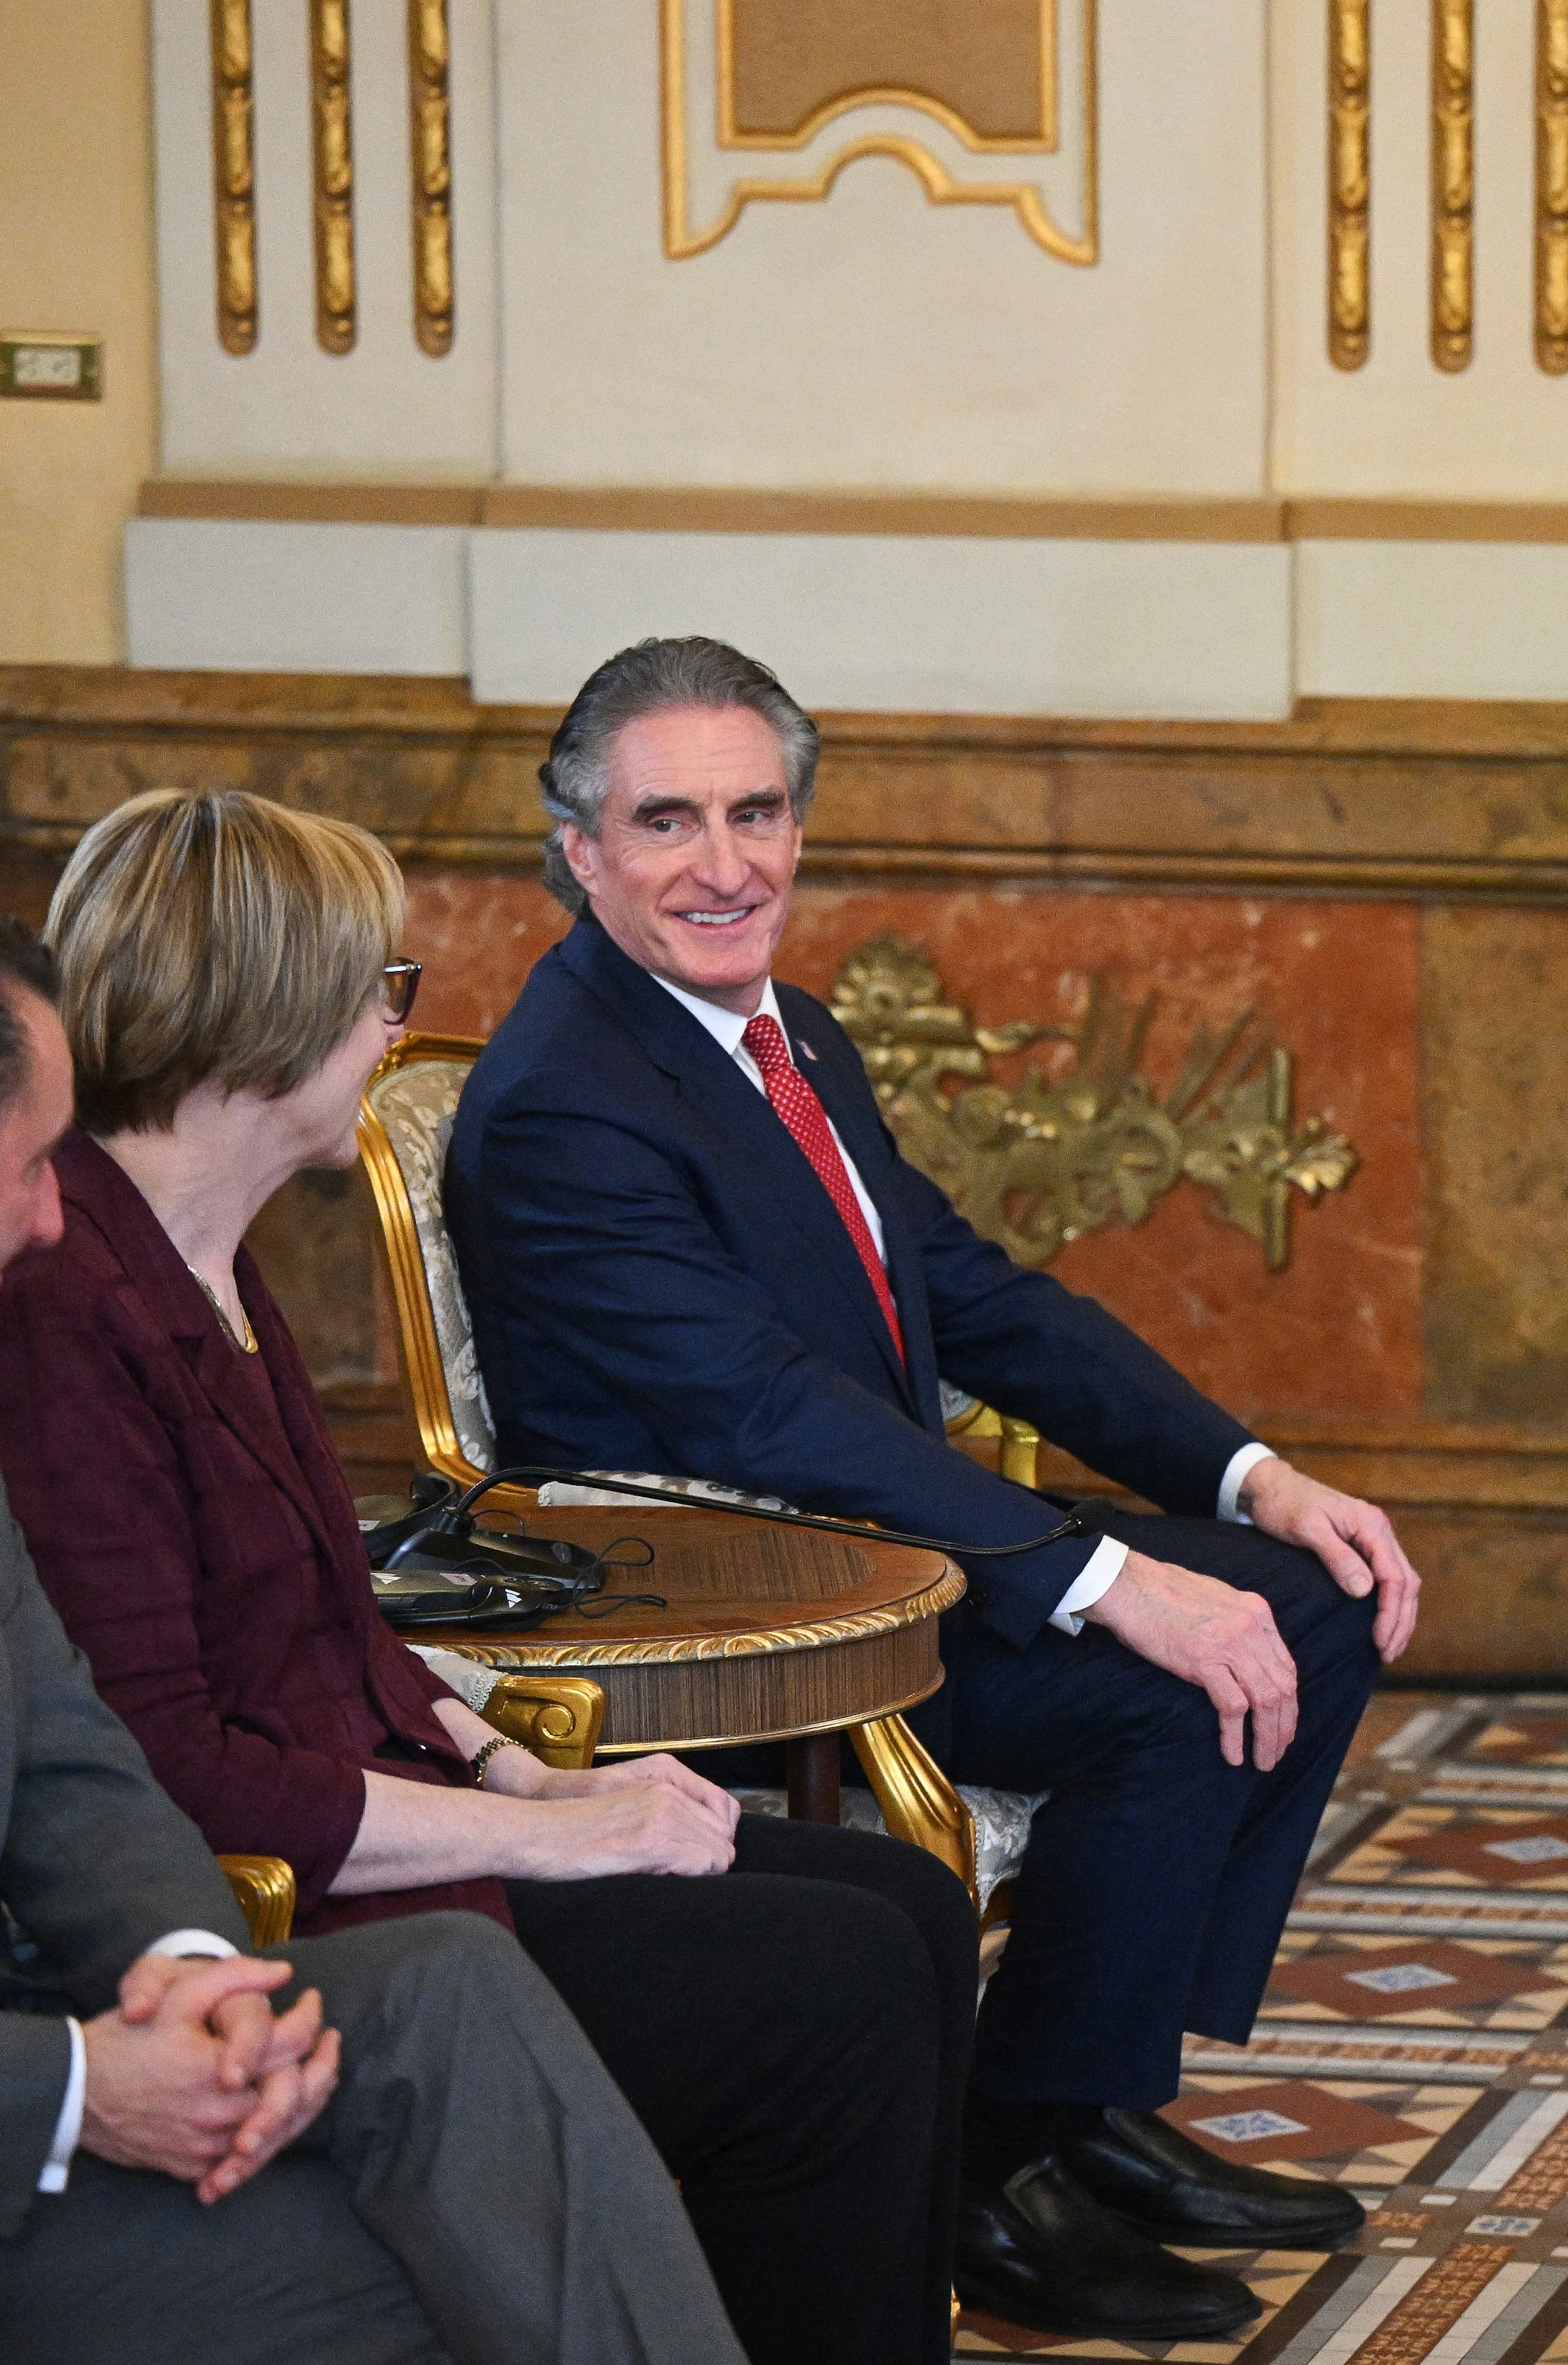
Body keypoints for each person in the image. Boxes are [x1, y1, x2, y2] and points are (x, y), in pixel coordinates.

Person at [444, 637, 1415, 2339]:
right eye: (666, 821)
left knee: (1315, 1598)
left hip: (878, 1549)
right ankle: (996, 2177)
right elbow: (759, 1414)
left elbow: (969, 1295)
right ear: (581, 849)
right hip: (738, 1608)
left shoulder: (784, 1029)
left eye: (757, 812)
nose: (724, 862)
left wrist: (1251, 1477)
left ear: (803, 830)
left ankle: (1069, 2108)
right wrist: (1111, 1580)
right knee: (1161, 1688)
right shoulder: (563, 1102)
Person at [0, 795, 979, 2365]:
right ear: (269, 1008)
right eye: (379, 987)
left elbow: (344, 1636)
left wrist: (545, 1772)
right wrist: (545, 1837)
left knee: (902, 1903)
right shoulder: (65, 1311)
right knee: (827, 1990)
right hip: (304, 1913)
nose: (390, 1027)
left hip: (412, 1820)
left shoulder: (210, 1253)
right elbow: (178, 1770)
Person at [0, 894, 749, 2365]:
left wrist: (198, 1970)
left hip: (7, 2047)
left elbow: (73, 1746)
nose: (52, 1216)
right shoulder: (4, 1337)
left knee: (458, 1999)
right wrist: (80, 2086)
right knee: (463, 2264)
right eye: (29, 1168)